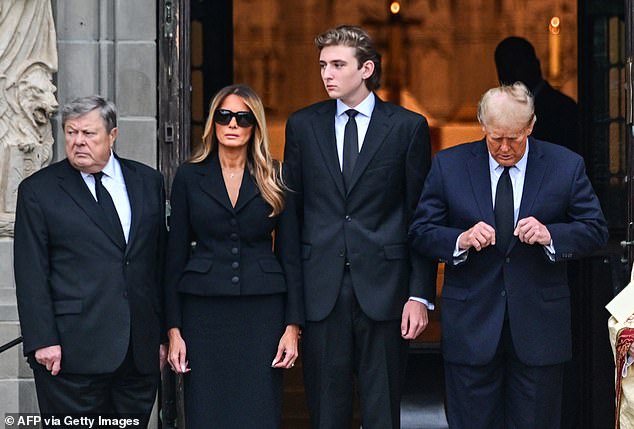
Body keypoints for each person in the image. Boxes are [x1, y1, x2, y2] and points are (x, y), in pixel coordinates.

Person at [409, 82, 608, 429]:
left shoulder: (565, 165)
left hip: (539, 330)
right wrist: (461, 239)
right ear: (482, 126)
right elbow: (421, 232)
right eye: (495, 137)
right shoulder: (449, 166)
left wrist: (551, 235)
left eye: (514, 138)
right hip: (471, 328)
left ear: (531, 125)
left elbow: (595, 230)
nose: (504, 148)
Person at [283, 25, 437, 428]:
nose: (327, 74)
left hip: (386, 290)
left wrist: (420, 295)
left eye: (337, 65)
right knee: (325, 412)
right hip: (321, 290)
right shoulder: (303, 126)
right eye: (322, 65)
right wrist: (293, 307)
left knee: (382, 412)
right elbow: (291, 215)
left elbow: (421, 215)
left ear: (366, 68)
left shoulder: (407, 127)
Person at [13, 95, 167, 426]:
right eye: (71, 132)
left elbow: (158, 264)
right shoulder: (39, 190)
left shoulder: (148, 182)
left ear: (112, 135)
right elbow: (30, 272)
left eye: (89, 133)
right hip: (70, 353)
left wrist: (163, 335)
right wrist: (42, 340)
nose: (78, 141)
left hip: (137, 353)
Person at [165, 84, 303, 428]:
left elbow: (290, 255)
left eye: (242, 118)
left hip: (262, 312)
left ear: (254, 125)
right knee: (206, 408)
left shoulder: (277, 176)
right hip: (203, 312)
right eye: (224, 116)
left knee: (258, 408)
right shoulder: (188, 176)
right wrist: (173, 330)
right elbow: (173, 257)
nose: (232, 125)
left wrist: (292, 326)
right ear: (213, 122)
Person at [495, 36, 580, 153]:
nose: (509, 75)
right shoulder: (502, 114)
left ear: (534, 65)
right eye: (504, 68)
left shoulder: (562, 109)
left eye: (516, 65)